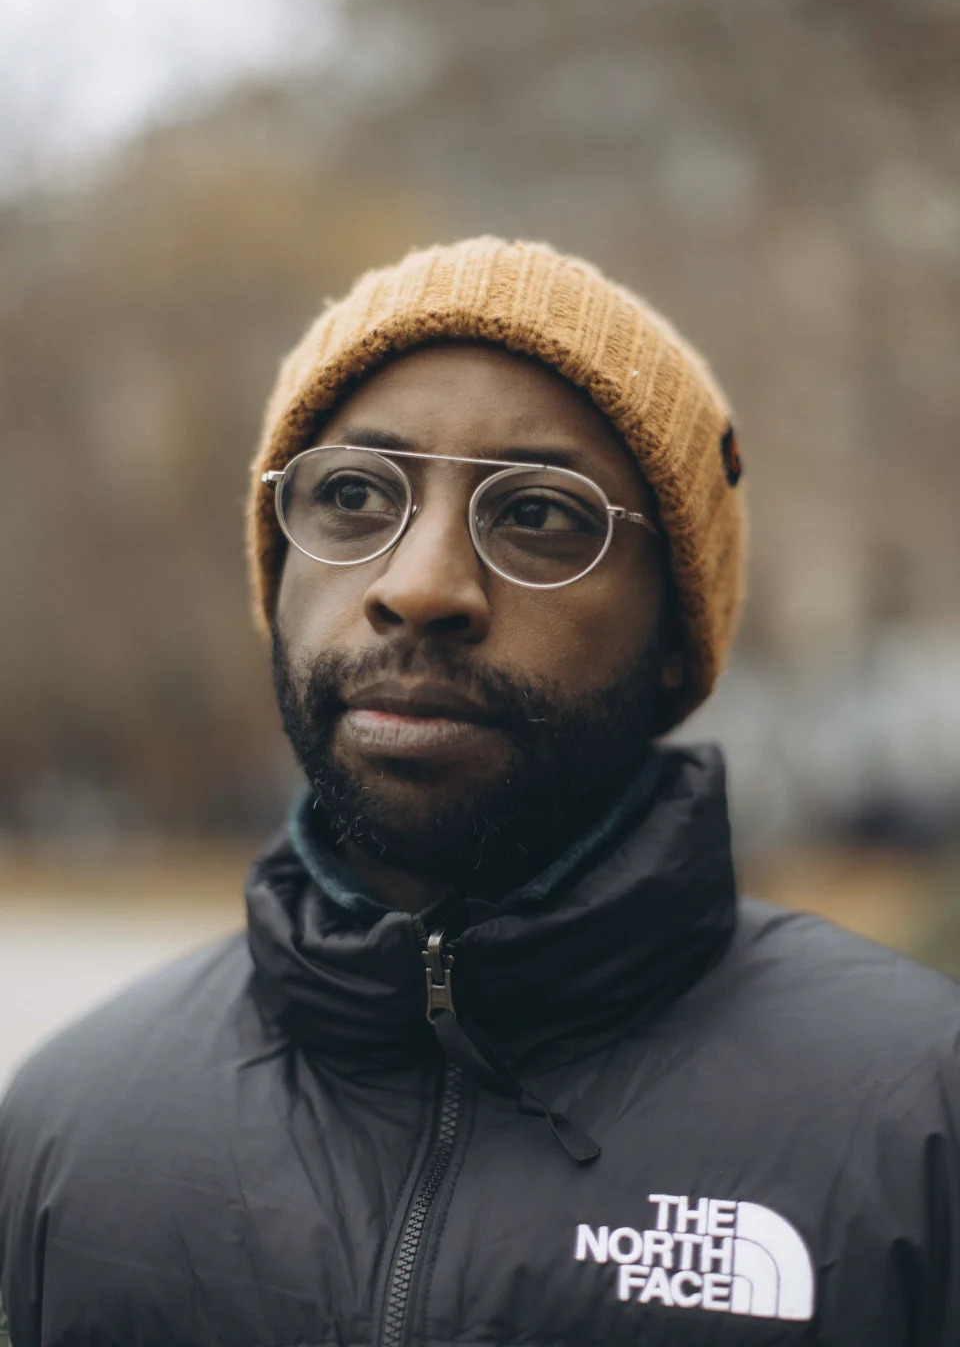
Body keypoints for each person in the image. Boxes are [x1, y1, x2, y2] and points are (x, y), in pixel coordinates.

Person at [1, 236, 958, 1347]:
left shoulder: (917, 1120)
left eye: (539, 514)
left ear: (671, 631)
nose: (419, 586)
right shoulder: (73, 1127)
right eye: (355, 493)